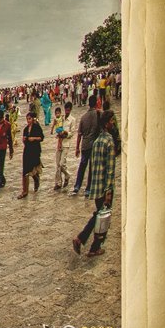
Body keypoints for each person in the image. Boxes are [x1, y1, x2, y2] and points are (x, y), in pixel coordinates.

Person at [73, 113, 117, 258]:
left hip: (96, 185)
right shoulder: (109, 141)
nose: (113, 123)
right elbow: (110, 169)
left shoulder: (97, 141)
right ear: (106, 123)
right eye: (111, 120)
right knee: (103, 217)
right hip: (104, 187)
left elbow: (94, 166)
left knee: (98, 214)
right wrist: (109, 190)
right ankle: (93, 246)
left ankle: (82, 239)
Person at [72, 95, 101, 195]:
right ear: (96, 103)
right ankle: (88, 189)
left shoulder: (83, 117)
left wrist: (77, 148)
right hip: (94, 145)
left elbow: (79, 134)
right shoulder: (98, 114)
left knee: (82, 166)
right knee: (92, 167)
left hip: (84, 145)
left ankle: (77, 186)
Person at [17, 110, 44, 199]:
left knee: (33, 169)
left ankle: (36, 180)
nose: (28, 120)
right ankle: (25, 191)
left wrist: (34, 138)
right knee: (25, 171)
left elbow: (42, 138)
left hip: (35, 151)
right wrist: (24, 139)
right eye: (27, 119)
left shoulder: (37, 127)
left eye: (29, 119)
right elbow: (24, 140)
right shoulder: (25, 129)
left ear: (32, 119)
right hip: (27, 151)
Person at [52, 107, 73, 190]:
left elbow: (72, 133)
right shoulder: (60, 118)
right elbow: (55, 128)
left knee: (61, 164)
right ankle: (58, 183)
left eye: (68, 110)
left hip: (66, 144)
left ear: (70, 110)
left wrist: (66, 133)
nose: (67, 111)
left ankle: (67, 175)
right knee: (57, 164)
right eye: (66, 110)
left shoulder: (72, 120)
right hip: (59, 143)